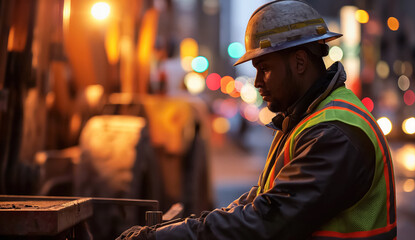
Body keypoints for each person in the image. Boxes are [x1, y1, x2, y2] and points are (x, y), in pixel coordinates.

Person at [117, 0, 397, 239]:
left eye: (265, 69)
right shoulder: (307, 119)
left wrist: (163, 237)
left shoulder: (335, 134)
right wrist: (178, 229)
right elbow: (263, 199)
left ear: (300, 62)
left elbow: (265, 221)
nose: (258, 81)